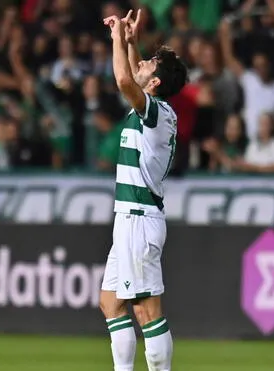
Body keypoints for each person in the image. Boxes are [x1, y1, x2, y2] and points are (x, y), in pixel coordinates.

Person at [100, 9, 187, 371]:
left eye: (150, 63)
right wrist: (133, 44)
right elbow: (136, 78)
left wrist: (118, 39)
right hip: (129, 220)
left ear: (153, 84)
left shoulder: (156, 113)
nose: (144, 64)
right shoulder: (156, 108)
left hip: (139, 220)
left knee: (146, 310)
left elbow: (124, 80)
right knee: (111, 302)